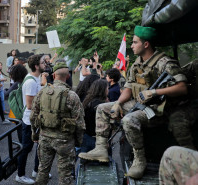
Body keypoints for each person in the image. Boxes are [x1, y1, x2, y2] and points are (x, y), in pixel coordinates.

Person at [78, 26, 191, 179]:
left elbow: (182, 88)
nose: (131, 45)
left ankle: (139, 160)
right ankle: (101, 149)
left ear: (146, 44)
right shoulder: (137, 63)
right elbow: (129, 87)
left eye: (135, 42)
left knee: (129, 120)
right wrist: (118, 103)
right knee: (102, 108)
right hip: (141, 105)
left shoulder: (165, 62)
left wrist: (155, 92)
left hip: (160, 110)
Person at [30, 62, 85, 185]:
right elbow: (80, 122)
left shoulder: (42, 92)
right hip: (65, 140)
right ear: (68, 76)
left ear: (53, 75)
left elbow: (33, 116)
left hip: (45, 138)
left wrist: (35, 134)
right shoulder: (72, 96)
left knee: (42, 171)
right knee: (65, 176)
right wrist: (78, 141)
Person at [15, 54, 47, 184]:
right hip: (30, 121)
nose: (45, 64)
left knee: (40, 146)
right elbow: (30, 105)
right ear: (36, 66)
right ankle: (20, 175)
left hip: (36, 120)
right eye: (43, 62)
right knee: (26, 148)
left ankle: (36, 170)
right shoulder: (30, 82)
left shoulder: (37, 78)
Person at [81, 79, 109, 153]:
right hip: (98, 139)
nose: (108, 90)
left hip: (86, 136)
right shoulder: (101, 105)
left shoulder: (87, 101)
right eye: (107, 88)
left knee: (84, 161)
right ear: (102, 90)